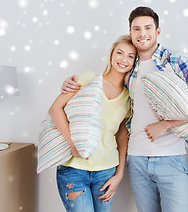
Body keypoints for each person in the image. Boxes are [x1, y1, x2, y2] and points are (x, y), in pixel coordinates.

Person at [62, 7, 188, 212]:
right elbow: (107, 93)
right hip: (136, 160)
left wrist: (166, 125)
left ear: (157, 32)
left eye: (147, 28)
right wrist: (70, 85)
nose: (142, 33)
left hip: (171, 157)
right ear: (130, 33)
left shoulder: (174, 60)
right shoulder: (129, 67)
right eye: (136, 29)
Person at [49, 35, 136, 212]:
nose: (123, 59)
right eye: (119, 53)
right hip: (74, 169)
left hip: (106, 171)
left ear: (135, 61)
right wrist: (73, 144)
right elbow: (55, 109)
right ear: (112, 55)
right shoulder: (89, 79)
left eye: (130, 56)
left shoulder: (128, 97)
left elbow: (122, 136)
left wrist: (119, 175)